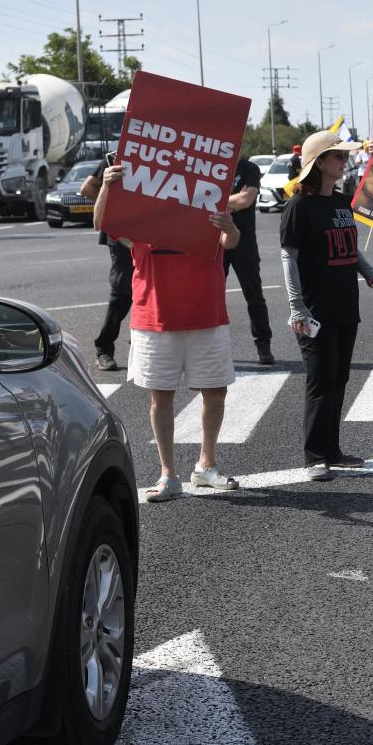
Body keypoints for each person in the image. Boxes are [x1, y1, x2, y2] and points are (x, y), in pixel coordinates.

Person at [92, 163, 242, 503]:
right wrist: (106, 187)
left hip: (207, 314)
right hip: (154, 318)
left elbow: (230, 241)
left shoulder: (208, 200)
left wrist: (229, 226)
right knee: (161, 398)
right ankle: (168, 473)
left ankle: (207, 464)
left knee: (215, 392)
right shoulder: (144, 213)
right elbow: (103, 223)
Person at [280, 130, 373, 483]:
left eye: (344, 156)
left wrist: (369, 272)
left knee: (339, 378)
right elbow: (288, 257)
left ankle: (333, 450)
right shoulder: (299, 206)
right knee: (320, 381)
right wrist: (297, 308)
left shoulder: (341, 202)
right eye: (338, 157)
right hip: (315, 310)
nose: (344, 161)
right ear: (320, 162)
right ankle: (314, 456)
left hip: (345, 304)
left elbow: (350, 247)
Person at [223, 153, 274, 365]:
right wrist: (232, 202)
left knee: (254, 294)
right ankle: (214, 348)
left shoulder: (249, 168)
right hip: (216, 240)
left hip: (244, 241)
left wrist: (215, 202)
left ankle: (263, 345)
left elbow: (246, 199)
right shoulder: (212, 165)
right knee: (212, 296)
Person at [82, 161, 131, 372]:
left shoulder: (158, 155)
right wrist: (111, 207)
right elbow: (87, 187)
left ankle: (142, 343)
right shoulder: (115, 158)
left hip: (150, 231)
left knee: (152, 287)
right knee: (122, 290)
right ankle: (104, 348)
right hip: (120, 234)